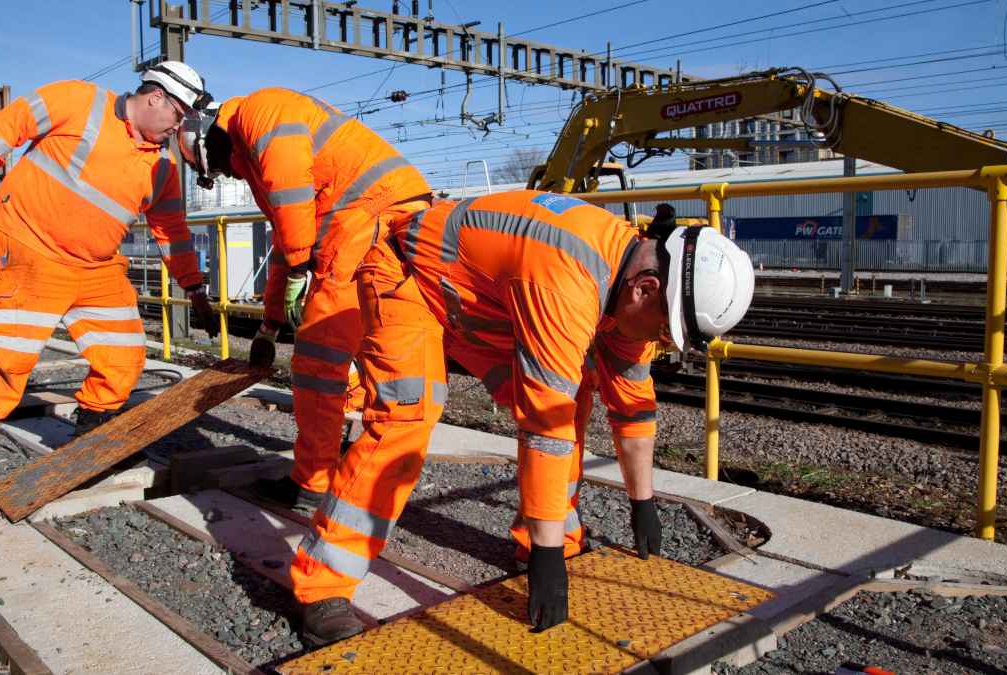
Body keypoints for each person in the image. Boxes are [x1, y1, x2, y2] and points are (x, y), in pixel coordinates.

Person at [286, 190, 755, 644]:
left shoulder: (630, 269)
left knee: (578, 391)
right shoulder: (567, 282)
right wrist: (547, 566)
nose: (661, 342)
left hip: (473, 298)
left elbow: (632, 402)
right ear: (646, 288)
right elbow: (544, 427)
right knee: (406, 417)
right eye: (663, 331)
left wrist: (643, 502)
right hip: (405, 279)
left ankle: (555, 534)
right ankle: (323, 586)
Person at [0, 62, 219, 510]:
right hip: (28, 247)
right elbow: (9, 124)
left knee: (124, 356)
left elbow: (172, 231)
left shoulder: (162, 168)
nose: (178, 128)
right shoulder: (77, 101)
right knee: (6, 359)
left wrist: (195, 290)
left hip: (95, 267)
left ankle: (92, 441)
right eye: (179, 116)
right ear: (155, 98)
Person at [179, 89, 431, 510]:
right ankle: (366, 460)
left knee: (318, 356)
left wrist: (299, 262)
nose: (227, 176)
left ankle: (313, 481)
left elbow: (291, 214)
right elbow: (286, 237)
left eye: (217, 168)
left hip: (363, 218)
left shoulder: (262, 111)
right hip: (383, 215)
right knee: (380, 344)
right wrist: (270, 325)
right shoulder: (260, 144)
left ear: (211, 135)